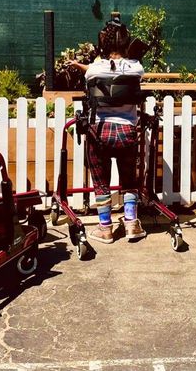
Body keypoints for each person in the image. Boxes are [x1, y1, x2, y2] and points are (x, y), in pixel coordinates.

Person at [70, 19, 146, 244]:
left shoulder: (94, 70)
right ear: (126, 43)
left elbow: (95, 71)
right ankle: (131, 224)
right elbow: (122, 70)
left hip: (100, 132)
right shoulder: (136, 69)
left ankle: (105, 228)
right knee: (129, 180)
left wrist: (80, 65)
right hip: (127, 131)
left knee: (101, 181)